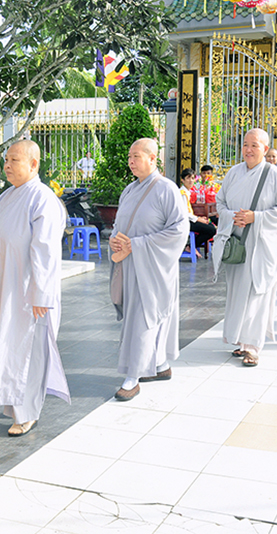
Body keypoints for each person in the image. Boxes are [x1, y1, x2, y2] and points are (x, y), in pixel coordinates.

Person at [0, 140, 69, 437]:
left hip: (28, 292)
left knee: (28, 350)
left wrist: (41, 293)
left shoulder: (42, 199)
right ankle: (13, 405)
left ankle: (27, 413)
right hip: (3, 287)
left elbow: (46, 250)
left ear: (33, 164)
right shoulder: (6, 197)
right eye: (6, 159)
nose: (7, 165)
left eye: (14, 160)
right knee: (8, 346)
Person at [109, 139, 189, 400]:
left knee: (144, 319)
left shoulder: (167, 189)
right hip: (130, 265)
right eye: (129, 157)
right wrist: (114, 240)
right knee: (137, 318)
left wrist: (138, 245)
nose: (131, 161)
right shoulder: (129, 190)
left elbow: (180, 230)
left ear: (153, 159)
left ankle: (133, 377)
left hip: (153, 266)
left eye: (136, 156)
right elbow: (119, 225)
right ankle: (160, 365)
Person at [213, 128, 277, 367]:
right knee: (238, 293)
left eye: (254, 145)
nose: (248, 149)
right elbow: (220, 202)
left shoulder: (274, 175)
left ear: (265, 149)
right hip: (237, 244)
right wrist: (232, 217)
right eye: (246, 144)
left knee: (257, 293)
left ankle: (253, 347)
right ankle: (240, 340)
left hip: (261, 246)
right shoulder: (234, 173)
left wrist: (255, 217)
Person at [178, 168, 216, 255]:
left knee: (210, 226)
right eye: (188, 178)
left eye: (192, 178)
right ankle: (191, 246)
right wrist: (198, 219)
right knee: (211, 230)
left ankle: (192, 245)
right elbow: (184, 213)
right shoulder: (182, 193)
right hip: (183, 222)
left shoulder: (188, 192)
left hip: (189, 220)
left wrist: (199, 218)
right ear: (183, 180)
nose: (191, 181)